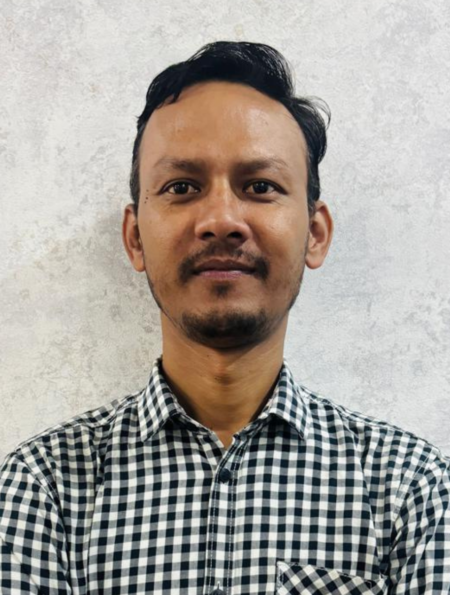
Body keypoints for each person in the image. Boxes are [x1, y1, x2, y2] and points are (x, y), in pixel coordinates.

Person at [1, 40, 449, 595]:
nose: (220, 220)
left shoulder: (410, 490)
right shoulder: (44, 489)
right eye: (182, 187)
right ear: (135, 237)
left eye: (260, 186)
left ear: (314, 233)